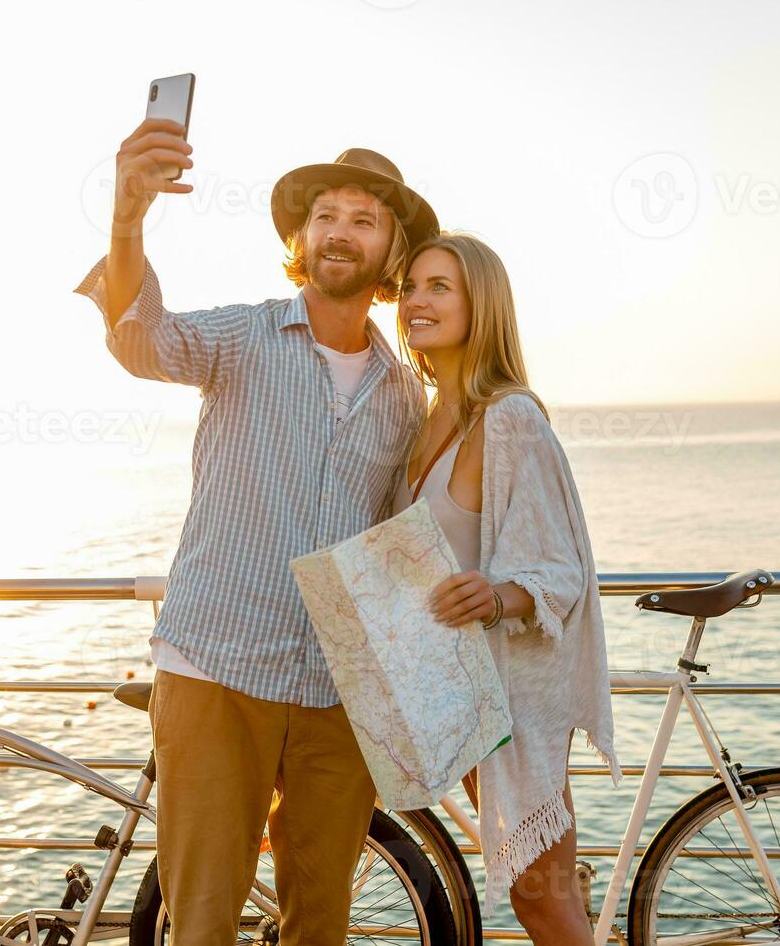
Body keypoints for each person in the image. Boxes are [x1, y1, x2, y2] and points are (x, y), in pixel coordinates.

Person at [73, 117, 434, 943]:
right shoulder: (243, 339)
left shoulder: (403, 397)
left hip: (336, 693)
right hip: (217, 671)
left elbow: (398, 551)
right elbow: (140, 340)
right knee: (201, 920)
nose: (342, 231)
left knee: (322, 922)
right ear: (304, 237)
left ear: (389, 256)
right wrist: (128, 217)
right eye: (328, 215)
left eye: (365, 220)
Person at [390, 230, 621, 944]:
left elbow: (561, 569)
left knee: (545, 904)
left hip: (512, 704)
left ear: (479, 304)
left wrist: (497, 595)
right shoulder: (422, 420)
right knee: (536, 899)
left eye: (439, 287)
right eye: (409, 287)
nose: (417, 301)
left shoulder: (510, 417)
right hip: (458, 698)